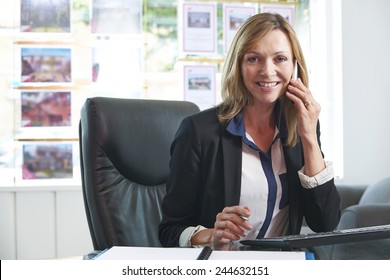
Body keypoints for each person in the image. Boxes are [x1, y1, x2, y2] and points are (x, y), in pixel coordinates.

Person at [158, 13, 340, 247]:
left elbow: (325, 223)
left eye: (280, 59)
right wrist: (210, 235)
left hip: (282, 267)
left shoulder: (300, 127)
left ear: (295, 65)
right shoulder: (199, 132)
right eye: (254, 59)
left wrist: (309, 138)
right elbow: (169, 230)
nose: (267, 71)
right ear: (239, 66)